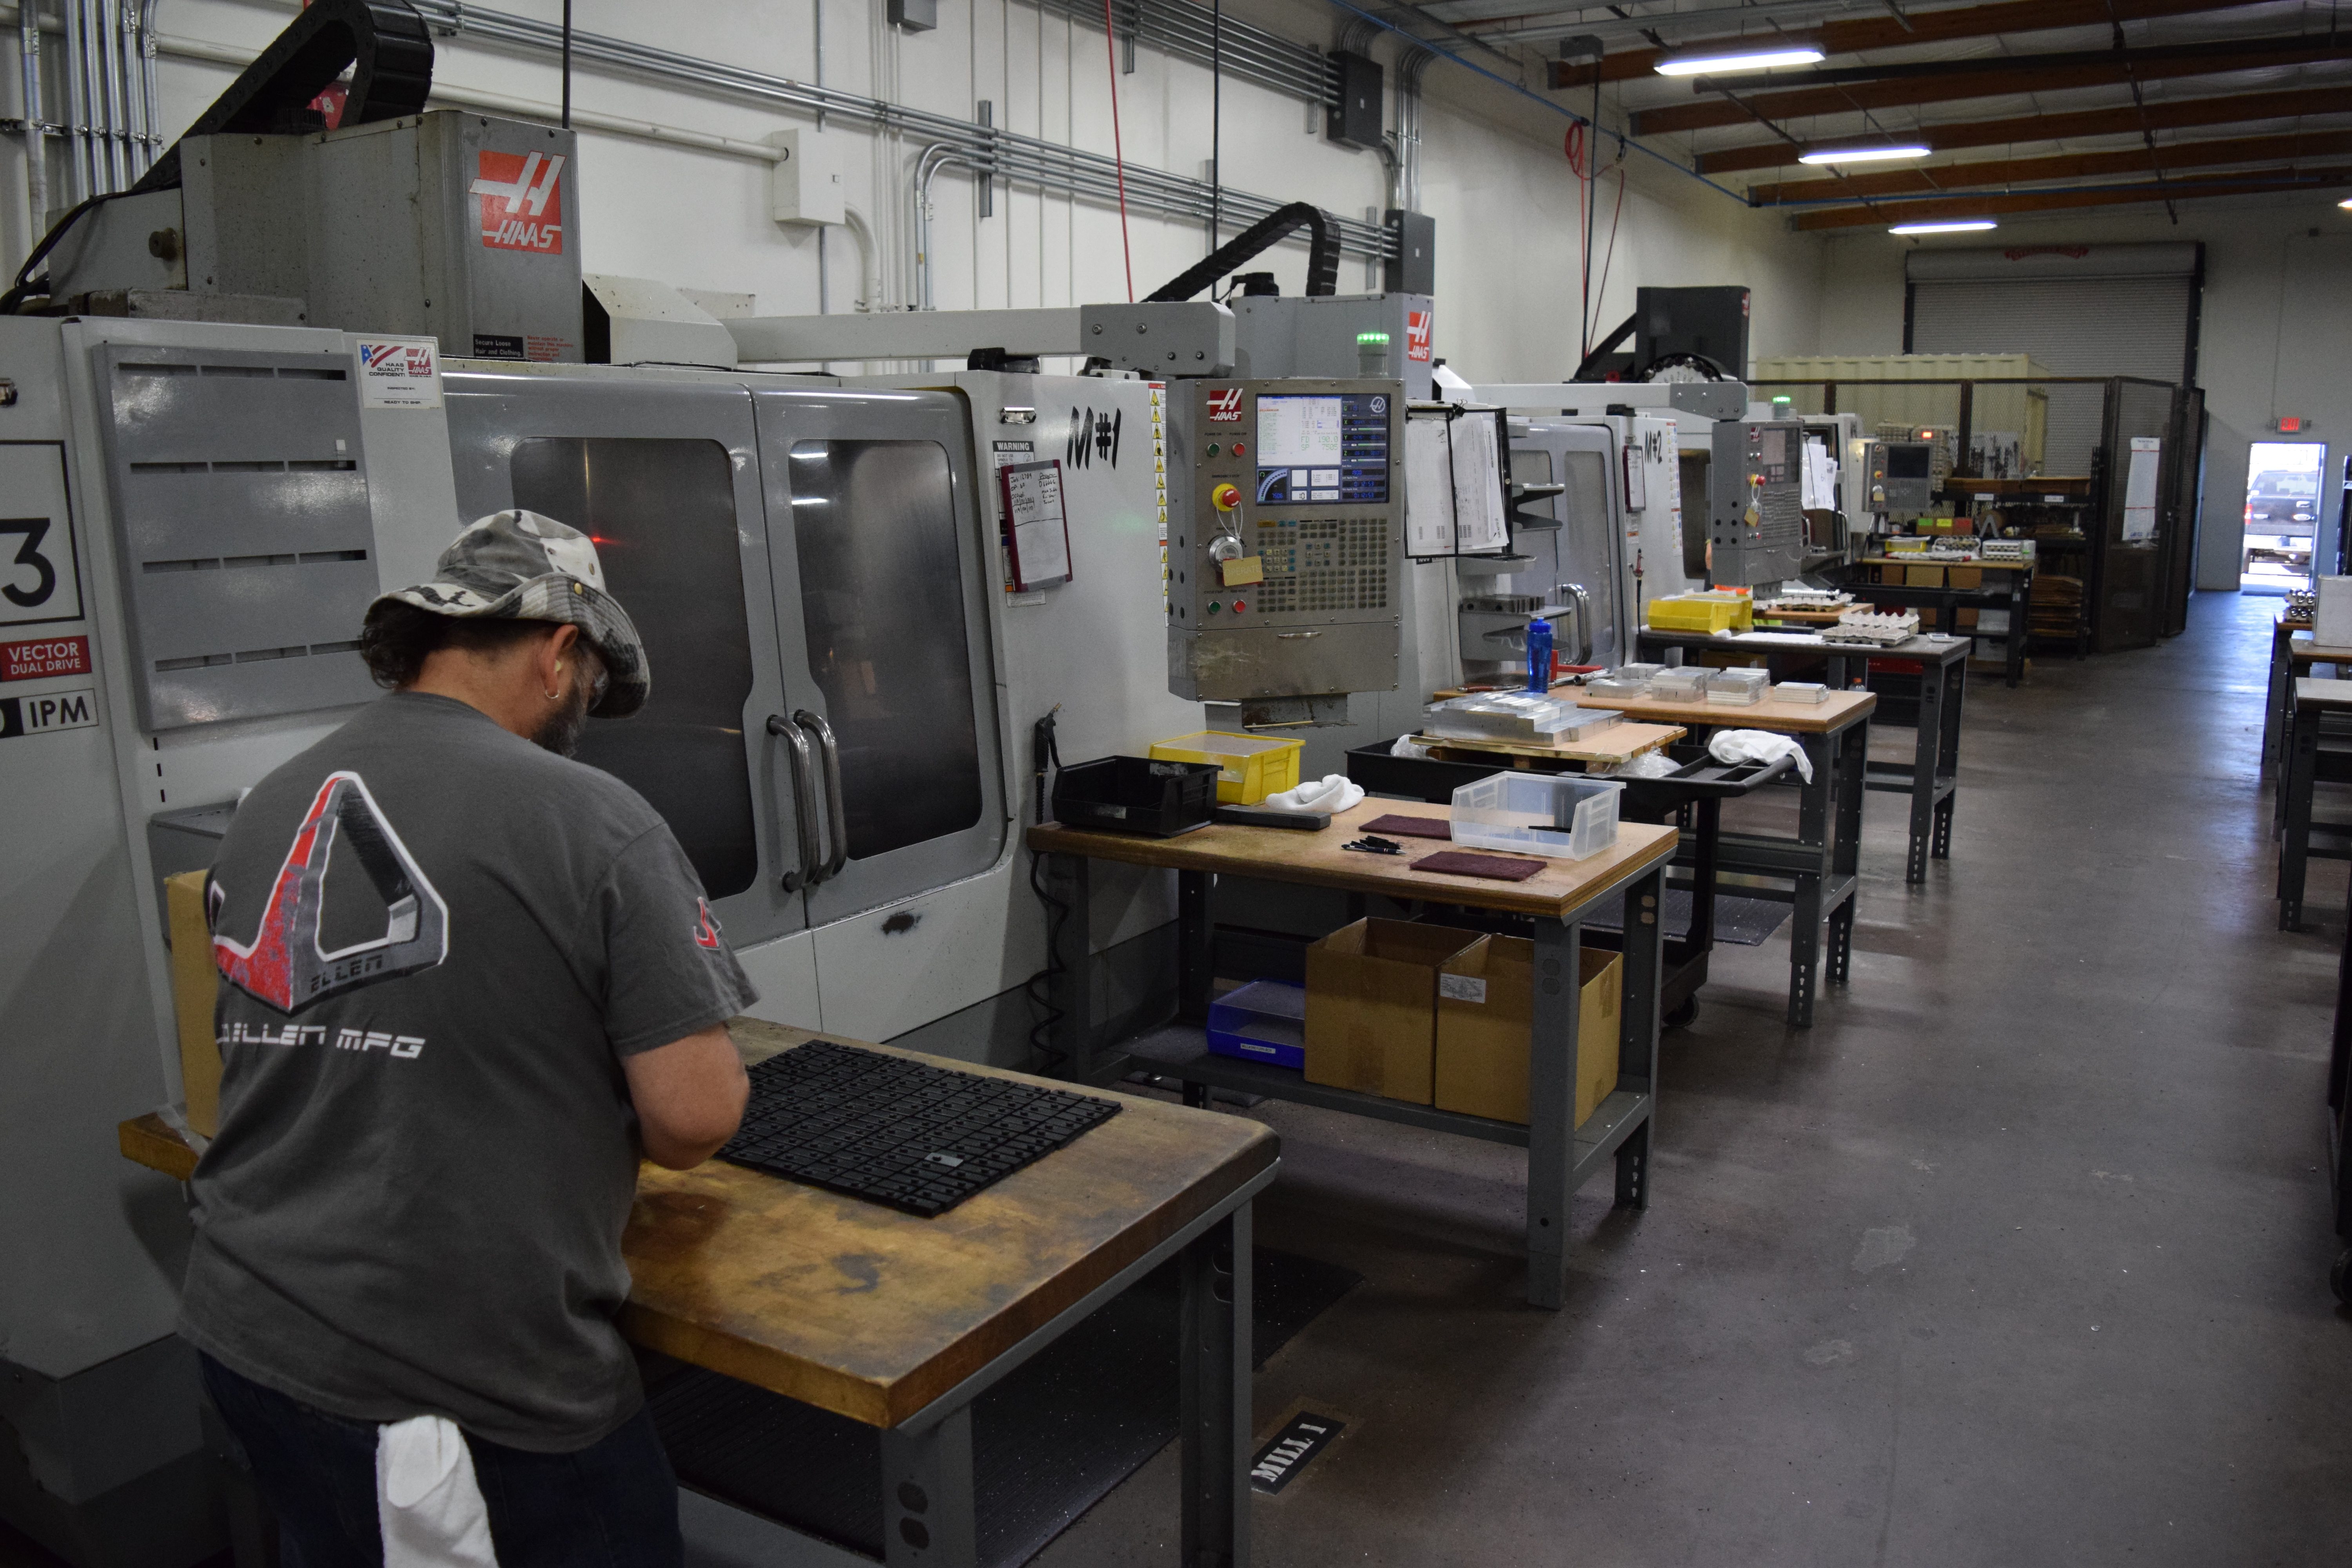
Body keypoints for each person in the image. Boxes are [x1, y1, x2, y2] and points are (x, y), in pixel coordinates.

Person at [182, 510, 755, 1566]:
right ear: (558, 650)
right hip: (461, 1381)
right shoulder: (595, 819)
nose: (586, 711)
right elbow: (693, 1118)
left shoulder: (268, 803)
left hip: (246, 1325)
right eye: (592, 682)